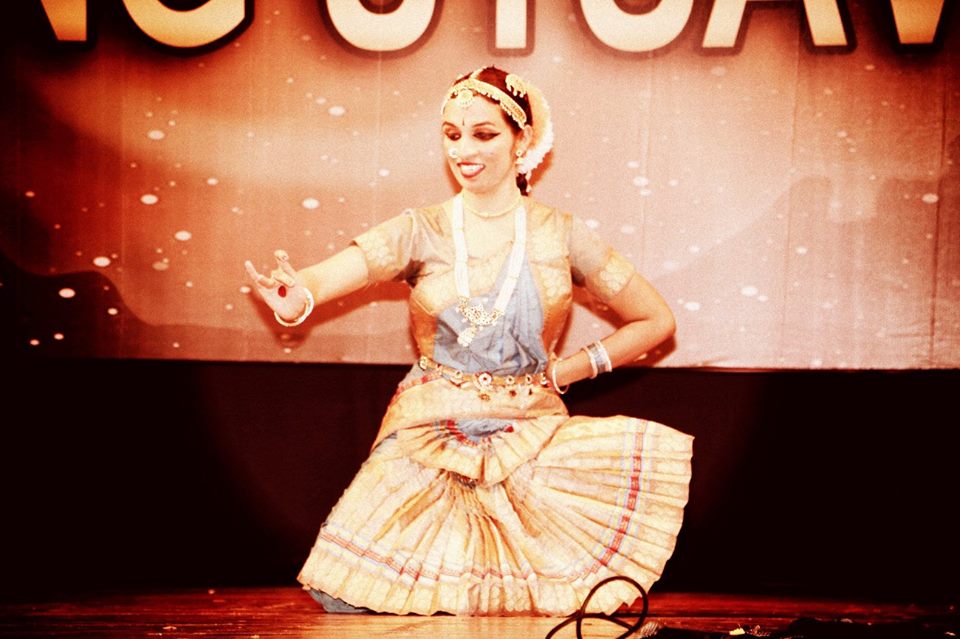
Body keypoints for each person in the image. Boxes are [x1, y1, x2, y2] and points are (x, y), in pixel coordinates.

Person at [244, 66, 693, 616]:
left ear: (522, 140)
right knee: (354, 595)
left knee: (539, 599)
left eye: (483, 134)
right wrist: (299, 295)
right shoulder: (421, 229)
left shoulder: (560, 233)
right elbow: (334, 273)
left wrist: (568, 371)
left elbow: (654, 319)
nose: (463, 150)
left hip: (530, 430)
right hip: (429, 433)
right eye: (452, 135)